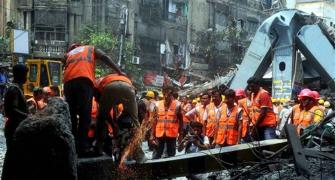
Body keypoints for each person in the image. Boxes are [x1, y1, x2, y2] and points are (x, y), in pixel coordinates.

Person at [63, 43, 125, 157]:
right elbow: (105, 57)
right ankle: (83, 148)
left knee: (71, 116)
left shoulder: (69, 54)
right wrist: (119, 71)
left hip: (67, 83)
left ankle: (72, 147)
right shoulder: (90, 49)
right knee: (84, 115)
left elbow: (64, 65)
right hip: (84, 80)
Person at [94, 73, 142, 161]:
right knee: (135, 121)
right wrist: (115, 124)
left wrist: (113, 126)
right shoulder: (123, 78)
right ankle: (138, 151)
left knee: (100, 118)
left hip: (110, 88)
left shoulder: (98, 82)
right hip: (128, 88)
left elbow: (105, 113)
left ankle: (98, 147)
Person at [151, 86, 183, 159]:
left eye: (169, 94)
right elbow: (154, 121)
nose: (167, 96)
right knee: (156, 155)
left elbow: (181, 120)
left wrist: (180, 135)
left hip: (171, 135)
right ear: (163, 93)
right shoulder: (157, 105)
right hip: (159, 135)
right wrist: (151, 135)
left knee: (171, 156)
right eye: (165, 94)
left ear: (172, 95)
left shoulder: (177, 105)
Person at [3, 64, 29, 147]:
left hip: (15, 127)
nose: (26, 77)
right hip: (14, 128)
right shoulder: (14, 89)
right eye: (25, 75)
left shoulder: (17, 88)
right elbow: (13, 109)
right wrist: (28, 116)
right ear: (21, 75)